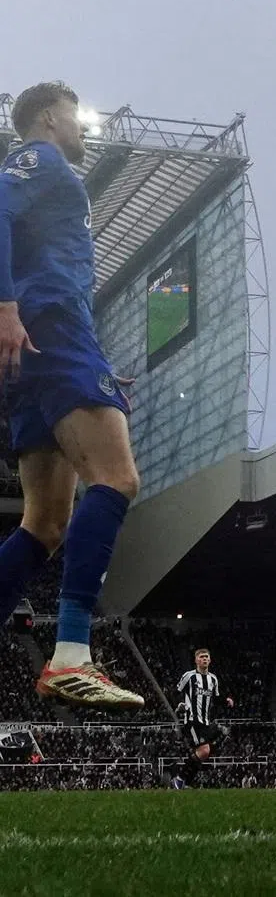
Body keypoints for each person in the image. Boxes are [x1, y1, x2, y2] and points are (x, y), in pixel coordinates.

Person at [0, 82, 143, 707]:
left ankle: (70, 651)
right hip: (51, 325)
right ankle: (72, 654)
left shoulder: (49, 171)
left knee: (45, 523)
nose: (84, 128)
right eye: (76, 116)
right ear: (51, 117)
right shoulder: (40, 156)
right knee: (116, 480)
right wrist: (6, 305)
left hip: (49, 339)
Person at [171, 647, 233, 788]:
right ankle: (180, 779)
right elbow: (175, 692)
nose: (204, 659)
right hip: (192, 720)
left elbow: (215, 698)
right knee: (204, 751)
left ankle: (183, 782)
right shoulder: (189, 676)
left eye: (206, 657)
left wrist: (226, 701)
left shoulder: (213, 679)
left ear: (210, 660)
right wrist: (179, 704)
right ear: (196, 660)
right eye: (201, 657)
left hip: (205, 721)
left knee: (209, 747)